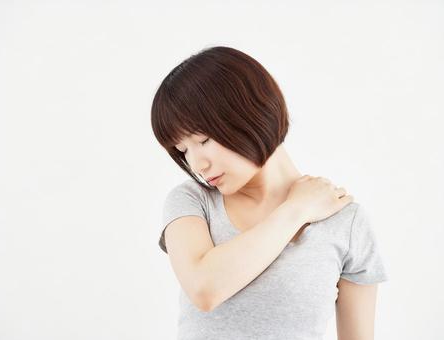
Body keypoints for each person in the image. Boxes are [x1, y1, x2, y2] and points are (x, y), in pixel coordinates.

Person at [151, 46, 388, 340]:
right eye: (183, 150)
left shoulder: (346, 222)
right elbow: (205, 289)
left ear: (250, 112)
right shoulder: (192, 202)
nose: (197, 164)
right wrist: (295, 210)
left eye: (204, 139)